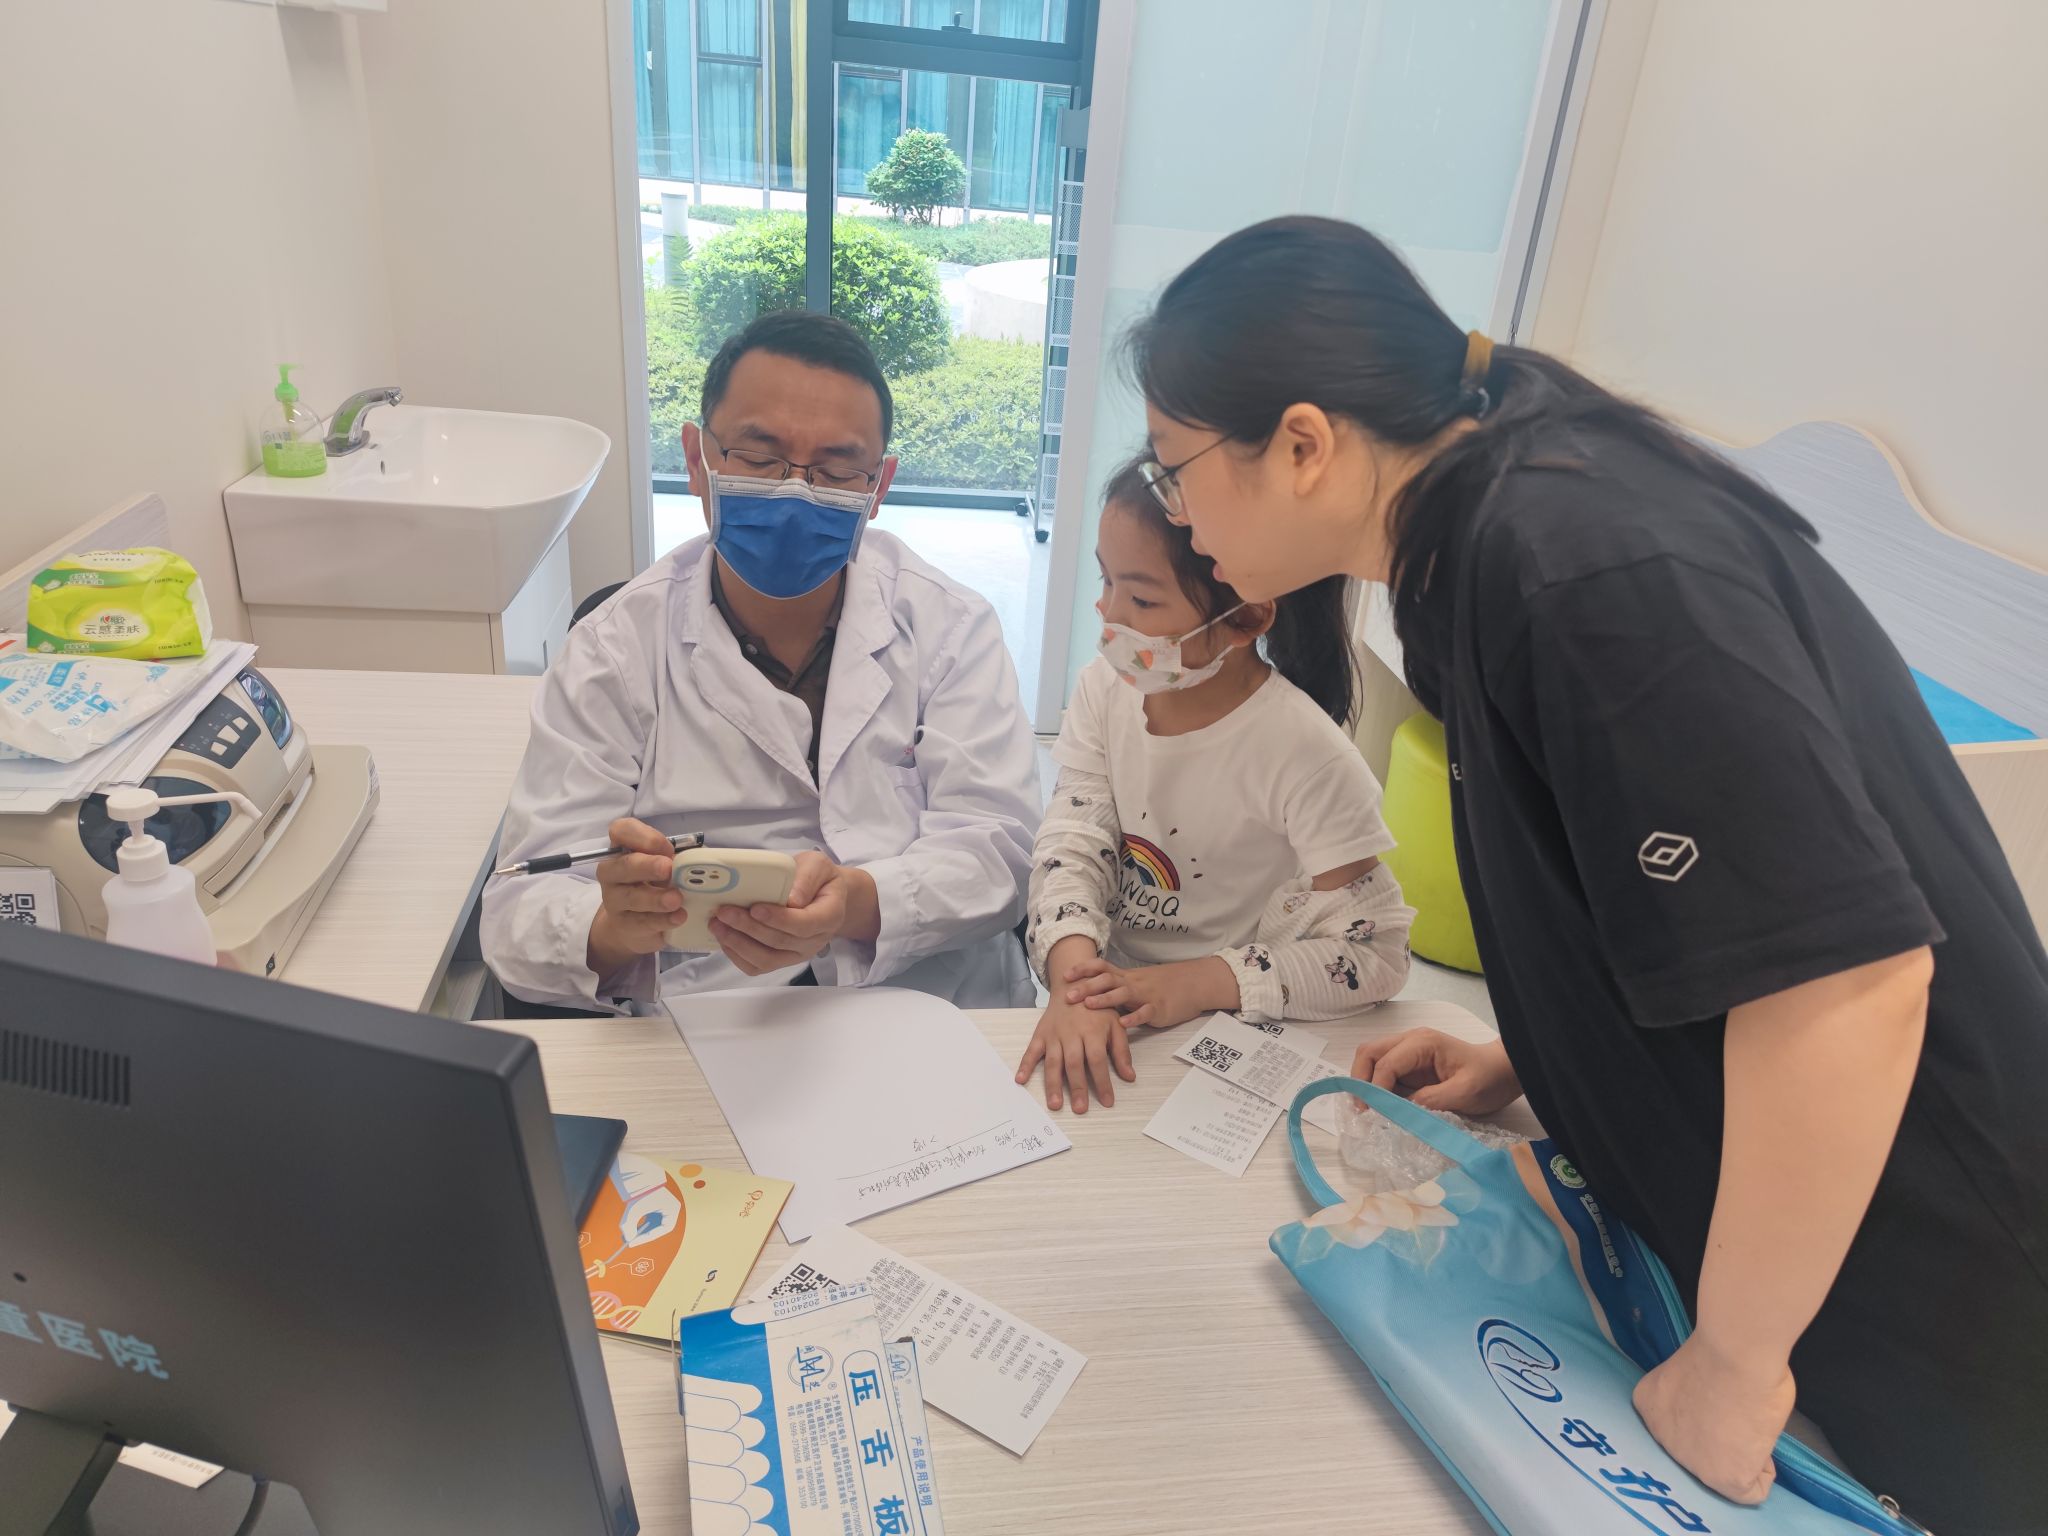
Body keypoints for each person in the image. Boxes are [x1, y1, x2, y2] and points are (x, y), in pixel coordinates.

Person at [1124, 215, 2048, 1534]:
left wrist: (1734, 1365)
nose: (1176, 513)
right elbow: (1650, 880)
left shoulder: (1584, 567)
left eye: (1174, 471)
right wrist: (1543, 1058)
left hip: (1938, 1275)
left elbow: (1847, 986)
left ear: (1304, 444)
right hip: (1759, 1234)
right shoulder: (1466, 547)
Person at [483, 310, 1040, 1012]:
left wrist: (858, 903)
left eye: (837, 469)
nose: (795, 490)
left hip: (930, 998)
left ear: (877, 489)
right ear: (697, 461)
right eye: (758, 457)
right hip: (713, 1012)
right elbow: (518, 909)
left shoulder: (951, 627)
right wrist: (612, 929)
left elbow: (1003, 850)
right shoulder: (613, 649)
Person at [1016, 458, 1412, 1113]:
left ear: (1248, 617)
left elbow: (1375, 954)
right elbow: (1073, 839)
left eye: (1142, 599)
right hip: (1106, 997)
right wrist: (1074, 974)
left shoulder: (1308, 754)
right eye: (1106, 579)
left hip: (1233, 1019)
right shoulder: (1102, 689)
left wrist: (1198, 982)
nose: (1108, 614)